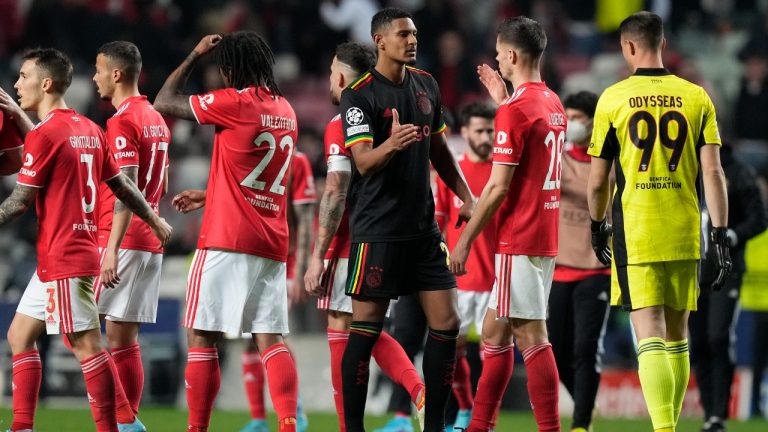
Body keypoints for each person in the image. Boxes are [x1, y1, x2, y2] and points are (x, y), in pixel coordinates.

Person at [2, 48, 171, 432]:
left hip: (65, 254)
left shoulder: (52, 133)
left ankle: (120, 425)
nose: (16, 84)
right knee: (20, 335)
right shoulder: (89, 129)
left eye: (23, 76)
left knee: (86, 345)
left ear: (44, 83)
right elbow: (122, 186)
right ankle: (22, 426)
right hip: (64, 254)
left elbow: (18, 202)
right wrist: (154, 219)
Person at [586, 11, 731, 432]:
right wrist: (719, 234)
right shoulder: (697, 96)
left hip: (638, 227)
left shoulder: (612, 99)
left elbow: (599, 179)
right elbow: (714, 173)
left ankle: (664, 429)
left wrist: (597, 225)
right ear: (663, 44)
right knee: (678, 333)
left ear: (627, 47)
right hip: (686, 228)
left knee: (647, 331)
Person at [154, 31, 300, 432]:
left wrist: (195, 53)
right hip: (270, 240)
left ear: (230, 68)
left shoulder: (234, 102)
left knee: (202, 338)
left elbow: (163, 101)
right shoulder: (286, 109)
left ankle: (197, 428)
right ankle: (288, 424)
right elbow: (253, 169)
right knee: (270, 339)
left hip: (226, 238)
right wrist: (211, 192)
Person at [338, 7, 474, 432]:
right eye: (403, 34)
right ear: (380, 40)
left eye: (414, 33)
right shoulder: (359, 94)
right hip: (377, 230)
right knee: (366, 330)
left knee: (447, 323)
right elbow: (362, 162)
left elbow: (438, 150)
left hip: (422, 228)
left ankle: (434, 425)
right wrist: (393, 144)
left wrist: (466, 195)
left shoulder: (427, 85)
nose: (412, 40)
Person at [303, 41, 426, 432]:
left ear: (340, 76)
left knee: (344, 330)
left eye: (329, 73)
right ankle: (419, 390)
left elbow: (336, 190)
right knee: (367, 329)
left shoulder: (342, 123)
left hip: (351, 241)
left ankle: (350, 424)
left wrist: (318, 255)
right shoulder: (394, 111)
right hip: (391, 236)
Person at [450, 16, 565, 432]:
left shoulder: (516, 110)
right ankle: (480, 426)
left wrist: (464, 241)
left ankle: (550, 428)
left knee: (533, 336)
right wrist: (503, 100)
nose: (497, 60)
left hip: (518, 236)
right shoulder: (551, 101)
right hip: (544, 234)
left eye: (500, 55)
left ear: (512, 55)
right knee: (494, 332)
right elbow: (532, 153)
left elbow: (498, 189)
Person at [172, 149, 316, 432]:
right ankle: (264, 418)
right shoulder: (266, 147)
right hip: (271, 251)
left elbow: (304, 216)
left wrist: (300, 269)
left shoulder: (290, 158)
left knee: (212, 334)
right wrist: (207, 194)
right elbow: (240, 190)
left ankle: (292, 411)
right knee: (263, 337)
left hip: (253, 250)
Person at [91, 41, 171, 427]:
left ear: (117, 74)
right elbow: (163, 183)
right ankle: (128, 422)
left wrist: (111, 249)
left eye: (99, 70)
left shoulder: (122, 120)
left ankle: (123, 420)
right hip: (150, 242)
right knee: (124, 342)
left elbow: (127, 187)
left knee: (82, 334)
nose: (95, 78)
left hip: (122, 239)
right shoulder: (156, 117)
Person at [690, 143, 767, 432]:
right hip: (694, 270)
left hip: (728, 269)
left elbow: (759, 219)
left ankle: (718, 414)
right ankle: (709, 411)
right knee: (697, 342)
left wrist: (733, 236)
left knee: (718, 336)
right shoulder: (689, 170)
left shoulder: (739, 172)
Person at [547, 90, 610, 432]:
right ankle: (585, 399)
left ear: (592, 122)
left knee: (586, 346)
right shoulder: (554, 158)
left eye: (578, 118)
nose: (572, 124)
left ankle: (581, 423)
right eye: (567, 117)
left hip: (596, 268)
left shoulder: (609, 164)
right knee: (555, 349)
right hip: (557, 269)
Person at [434, 101, 497, 431]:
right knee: (453, 351)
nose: (486, 136)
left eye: (491, 130)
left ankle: (487, 419)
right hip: (459, 280)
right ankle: (465, 409)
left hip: (496, 279)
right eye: (480, 130)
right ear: (465, 132)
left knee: (493, 354)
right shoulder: (452, 173)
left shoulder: (503, 172)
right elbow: (439, 224)